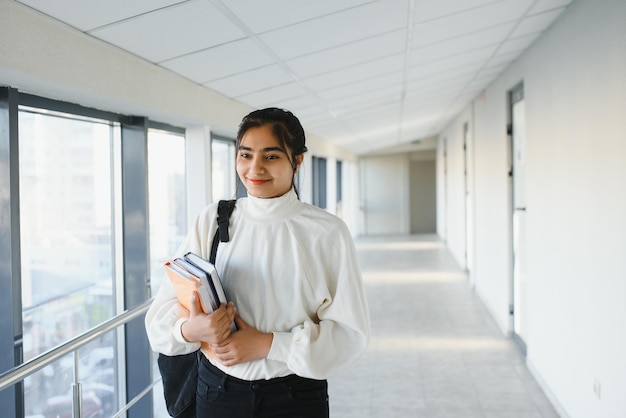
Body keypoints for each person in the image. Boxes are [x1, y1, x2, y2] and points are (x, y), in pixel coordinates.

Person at [145, 107, 370, 417]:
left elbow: (349, 334)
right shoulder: (213, 220)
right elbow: (162, 313)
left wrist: (267, 344)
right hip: (217, 392)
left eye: (271, 156)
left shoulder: (327, 233)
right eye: (245, 155)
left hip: (295, 396)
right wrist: (191, 329)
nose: (255, 168)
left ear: (298, 160)